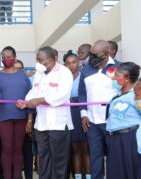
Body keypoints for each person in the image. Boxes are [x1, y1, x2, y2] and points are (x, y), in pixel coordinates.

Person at [17, 46, 74, 179]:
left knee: (59, 162)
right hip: (41, 125)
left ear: (51, 59)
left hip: (58, 124)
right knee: (44, 159)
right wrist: (25, 102)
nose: (38, 62)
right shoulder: (39, 73)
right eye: (37, 59)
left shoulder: (64, 72)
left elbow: (62, 95)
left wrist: (40, 100)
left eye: (40, 59)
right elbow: (34, 91)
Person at [78, 40, 120, 179]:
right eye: (91, 54)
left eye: (96, 55)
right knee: (95, 157)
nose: (92, 58)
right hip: (92, 122)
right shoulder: (86, 69)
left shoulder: (119, 68)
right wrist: (84, 114)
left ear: (107, 53)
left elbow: (125, 92)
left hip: (112, 121)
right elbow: (82, 94)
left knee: (114, 157)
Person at [0, 46, 31, 179]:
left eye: (8, 57)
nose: (6, 59)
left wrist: (30, 119)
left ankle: (18, 176)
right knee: (7, 148)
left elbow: (30, 97)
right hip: (4, 117)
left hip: (21, 117)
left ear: (14, 57)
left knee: (18, 149)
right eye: (3, 57)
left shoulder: (23, 76)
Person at [106, 62, 141, 179]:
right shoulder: (116, 96)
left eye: (117, 75)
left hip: (129, 139)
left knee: (130, 173)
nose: (113, 78)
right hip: (114, 139)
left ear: (126, 78)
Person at [64, 50, 90, 179]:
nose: (71, 65)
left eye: (74, 62)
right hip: (68, 113)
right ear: (65, 65)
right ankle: (78, 177)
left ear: (78, 63)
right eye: (68, 63)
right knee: (74, 149)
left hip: (83, 110)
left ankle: (89, 176)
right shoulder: (62, 78)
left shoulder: (84, 76)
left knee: (86, 148)